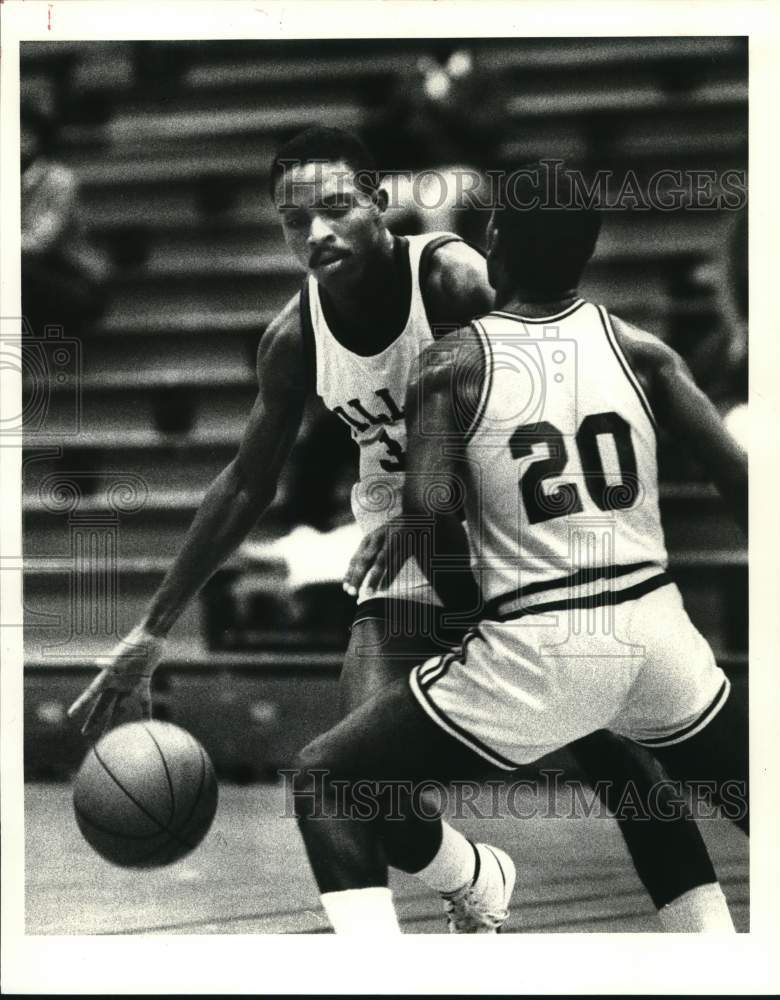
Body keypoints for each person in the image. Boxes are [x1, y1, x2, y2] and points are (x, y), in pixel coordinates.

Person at [69, 130, 731, 933]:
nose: (314, 234)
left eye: (334, 209)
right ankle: (477, 876)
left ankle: (706, 945)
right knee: (366, 784)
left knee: (617, 756)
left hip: (511, 548)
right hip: (408, 550)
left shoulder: (455, 279)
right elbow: (246, 482)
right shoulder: (293, 336)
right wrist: (152, 628)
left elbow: (556, 369)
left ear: (379, 205)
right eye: (291, 220)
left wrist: (446, 510)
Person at [288, 162, 749, 935]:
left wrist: (471, 616)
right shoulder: (645, 351)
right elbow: (746, 490)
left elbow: (431, 521)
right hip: (661, 640)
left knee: (327, 780)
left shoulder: (454, 360)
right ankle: (713, 953)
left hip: (540, 644)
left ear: (496, 239)